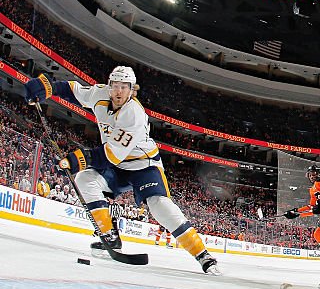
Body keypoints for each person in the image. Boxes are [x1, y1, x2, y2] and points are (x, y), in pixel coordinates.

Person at [24, 66, 220, 274]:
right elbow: (73, 90)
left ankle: (202, 254)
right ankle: (109, 235)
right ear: (109, 86)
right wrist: (47, 87)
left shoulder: (134, 114)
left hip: (143, 165)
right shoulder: (100, 94)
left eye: (124, 87)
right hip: (117, 165)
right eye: (115, 86)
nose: (118, 92)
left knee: (159, 205)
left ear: (132, 90)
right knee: (84, 180)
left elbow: (110, 155)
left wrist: (77, 159)